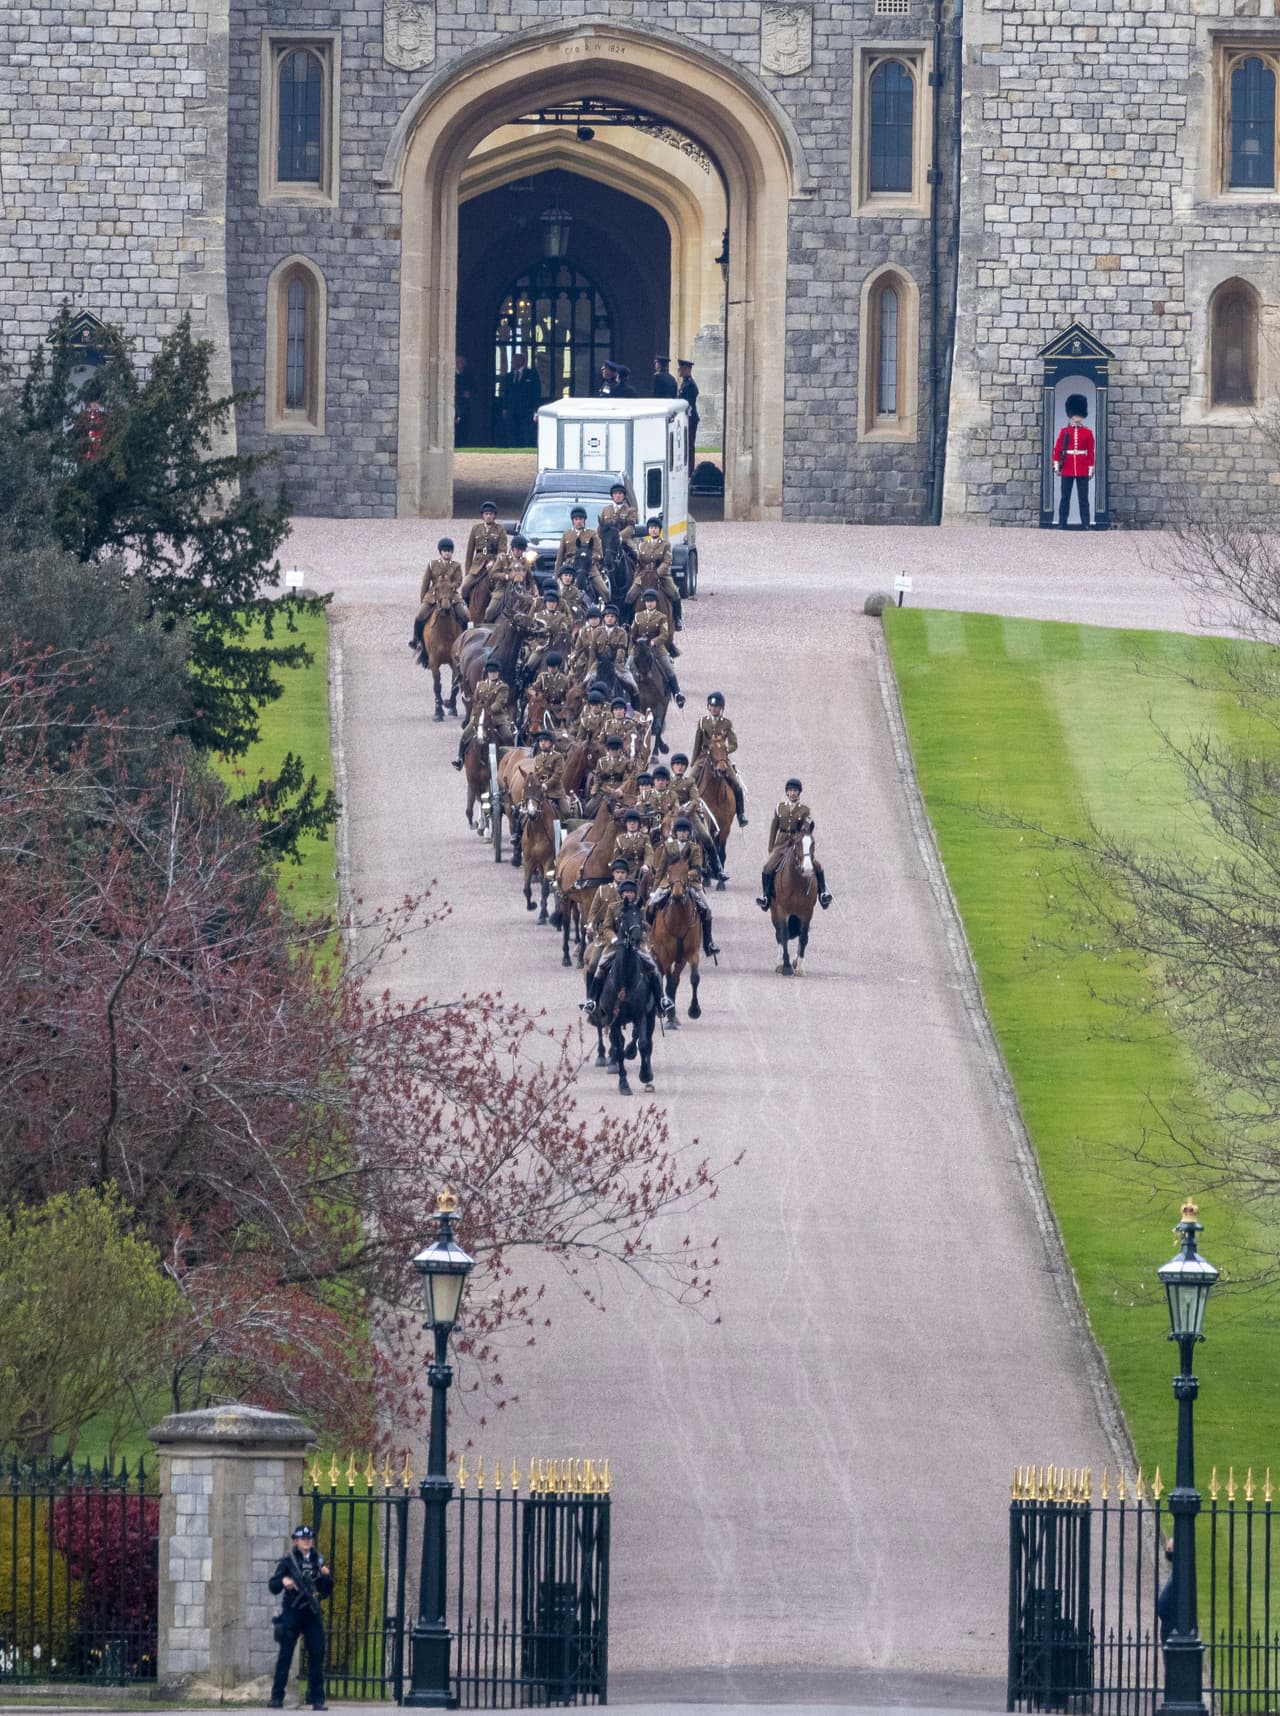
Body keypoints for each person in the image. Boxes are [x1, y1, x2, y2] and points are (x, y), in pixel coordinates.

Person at [268, 1524, 333, 1711]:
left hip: (312, 1613)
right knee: (285, 1655)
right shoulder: (288, 1561)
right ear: (296, 1541)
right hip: (292, 1612)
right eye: (303, 1539)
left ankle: (317, 1698)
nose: (306, 1541)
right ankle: (277, 1697)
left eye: (309, 1538)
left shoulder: (318, 1561)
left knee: (317, 1653)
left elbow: (326, 1591)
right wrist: (283, 1581)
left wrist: (326, 1577)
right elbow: (273, 1586)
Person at [582, 875, 659, 1017]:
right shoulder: (613, 907)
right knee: (599, 967)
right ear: (621, 894)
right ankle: (592, 999)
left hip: (636, 945)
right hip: (615, 945)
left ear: (635, 894)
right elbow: (607, 927)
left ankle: (660, 1001)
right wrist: (614, 939)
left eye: (631, 892)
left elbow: (644, 925)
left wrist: (643, 930)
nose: (629, 894)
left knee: (653, 967)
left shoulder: (639, 908)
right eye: (626, 892)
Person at [757, 778, 832, 910]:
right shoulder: (780, 807)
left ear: (799, 793)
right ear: (786, 792)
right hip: (781, 844)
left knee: (817, 865)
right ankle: (766, 897)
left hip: (798, 844)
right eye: (790, 790)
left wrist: (800, 835)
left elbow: (806, 827)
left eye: (795, 791)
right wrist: (771, 847)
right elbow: (774, 827)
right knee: (767, 867)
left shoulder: (805, 810)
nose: (792, 793)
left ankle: (822, 894)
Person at [648, 816, 719, 953]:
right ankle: (652, 938)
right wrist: (655, 889)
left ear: (689, 833)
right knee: (650, 906)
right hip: (668, 882)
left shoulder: (695, 848)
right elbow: (661, 869)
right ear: (675, 833)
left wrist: (683, 877)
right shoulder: (668, 847)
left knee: (707, 909)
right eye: (680, 831)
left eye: (685, 831)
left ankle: (708, 943)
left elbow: (697, 869)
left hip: (690, 883)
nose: (682, 833)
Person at [691, 692, 748, 826]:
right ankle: (685, 811)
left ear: (721, 708)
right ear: (708, 707)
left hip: (721, 759)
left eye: (717, 706)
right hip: (704, 757)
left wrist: (724, 751)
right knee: (690, 780)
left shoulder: (727, 724)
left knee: (736, 784)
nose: (714, 708)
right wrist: (693, 761)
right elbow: (697, 744)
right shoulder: (702, 722)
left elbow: (734, 744)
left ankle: (741, 814)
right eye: (711, 706)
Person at [410, 537, 469, 650]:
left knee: (464, 615)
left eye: (449, 551)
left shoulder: (456, 566)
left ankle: (466, 640)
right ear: (440, 552)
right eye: (445, 550)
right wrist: (423, 600)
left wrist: (450, 586)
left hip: (451, 594)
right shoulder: (432, 564)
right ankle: (416, 639)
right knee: (420, 616)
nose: (447, 553)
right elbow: (425, 583)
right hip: (434, 594)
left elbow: (458, 581)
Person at [454, 661, 515, 767]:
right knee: (465, 735)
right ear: (488, 673)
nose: (493, 674)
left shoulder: (503, 687)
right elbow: (475, 699)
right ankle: (460, 759)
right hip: (479, 716)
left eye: (495, 672)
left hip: (496, 717)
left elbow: (499, 703)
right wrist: (476, 712)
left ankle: (510, 760)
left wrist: (487, 711)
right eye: (491, 672)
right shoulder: (481, 685)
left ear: (498, 673)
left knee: (508, 736)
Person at [629, 587, 684, 705]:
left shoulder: (662, 617)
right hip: (639, 647)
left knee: (668, 667)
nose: (650, 604)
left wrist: (654, 642)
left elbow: (664, 634)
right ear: (645, 602)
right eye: (648, 601)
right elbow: (633, 633)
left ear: (655, 602)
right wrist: (635, 641)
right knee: (627, 667)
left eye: (652, 601)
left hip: (656, 647)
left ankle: (677, 693)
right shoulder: (638, 616)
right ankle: (625, 695)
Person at [627, 519, 683, 630]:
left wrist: (657, 573)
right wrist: (637, 576)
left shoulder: (665, 544)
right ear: (648, 530)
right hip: (644, 575)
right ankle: (627, 621)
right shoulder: (642, 545)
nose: (653, 530)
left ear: (659, 530)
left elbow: (667, 561)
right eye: (651, 528)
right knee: (630, 595)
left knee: (674, 592)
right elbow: (639, 562)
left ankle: (677, 618)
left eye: (656, 528)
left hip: (661, 576)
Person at [1053, 394, 1095, 529]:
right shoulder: (1064, 431)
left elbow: (1090, 452)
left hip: (1082, 468)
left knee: (1083, 498)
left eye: (1079, 415)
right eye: (1075, 414)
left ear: (1083, 415)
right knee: (1065, 497)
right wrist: (1057, 467)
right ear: (1071, 415)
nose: (1077, 417)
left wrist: (1090, 469)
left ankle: (1086, 523)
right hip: (1067, 467)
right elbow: (1057, 449)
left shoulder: (1088, 433)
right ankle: (1062, 523)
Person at [554, 507, 608, 599]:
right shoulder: (566, 535)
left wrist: (590, 559)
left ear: (584, 520)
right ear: (573, 521)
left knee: (605, 591)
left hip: (589, 568)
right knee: (555, 592)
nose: (579, 521)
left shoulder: (592, 534)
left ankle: (605, 606)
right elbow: (560, 557)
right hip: (570, 568)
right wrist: (557, 574)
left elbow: (598, 553)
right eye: (576, 519)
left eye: (581, 519)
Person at [500, 351, 541, 447]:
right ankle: (512, 447)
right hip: (511, 409)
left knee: (526, 430)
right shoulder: (508, 377)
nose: (512, 363)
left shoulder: (532, 375)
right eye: (512, 361)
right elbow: (504, 393)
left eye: (514, 360)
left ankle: (526, 447)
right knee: (511, 430)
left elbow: (536, 393)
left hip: (526, 409)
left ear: (521, 361)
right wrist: (504, 408)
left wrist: (535, 409)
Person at [463, 503, 507, 591]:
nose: (488, 516)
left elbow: (502, 551)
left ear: (494, 516)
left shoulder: (500, 529)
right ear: (483, 515)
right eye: (486, 514)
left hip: (493, 565)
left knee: (499, 589)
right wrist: (467, 572)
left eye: (491, 514)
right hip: (477, 565)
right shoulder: (475, 529)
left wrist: (494, 561)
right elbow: (469, 553)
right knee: (465, 587)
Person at [529, 650, 572, 727]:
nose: (551, 669)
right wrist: (537, 696)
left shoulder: (564, 680)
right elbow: (532, 689)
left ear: (558, 666)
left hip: (558, 709)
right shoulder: (542, 677)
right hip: (543, 708)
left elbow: (567, 698)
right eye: (549, 667)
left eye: (553, 667)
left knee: (565, 726)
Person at [677, 359, 700, 448]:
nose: (679, 370)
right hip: (687, 416)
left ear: (687, 369)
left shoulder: (690, 384)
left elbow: (689, 403)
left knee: (689, 445)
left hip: (690, 417)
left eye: (681, 368)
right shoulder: (685, 383)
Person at [454, 354, 474, 446]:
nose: (459, 364)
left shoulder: (468, 376)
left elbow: (474, 389)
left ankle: (461, 445)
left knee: (463, 429)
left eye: (462, 362)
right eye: (458, 362)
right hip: (454, 405)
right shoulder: (451, 375)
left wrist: (469, 393)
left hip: (464, 407)